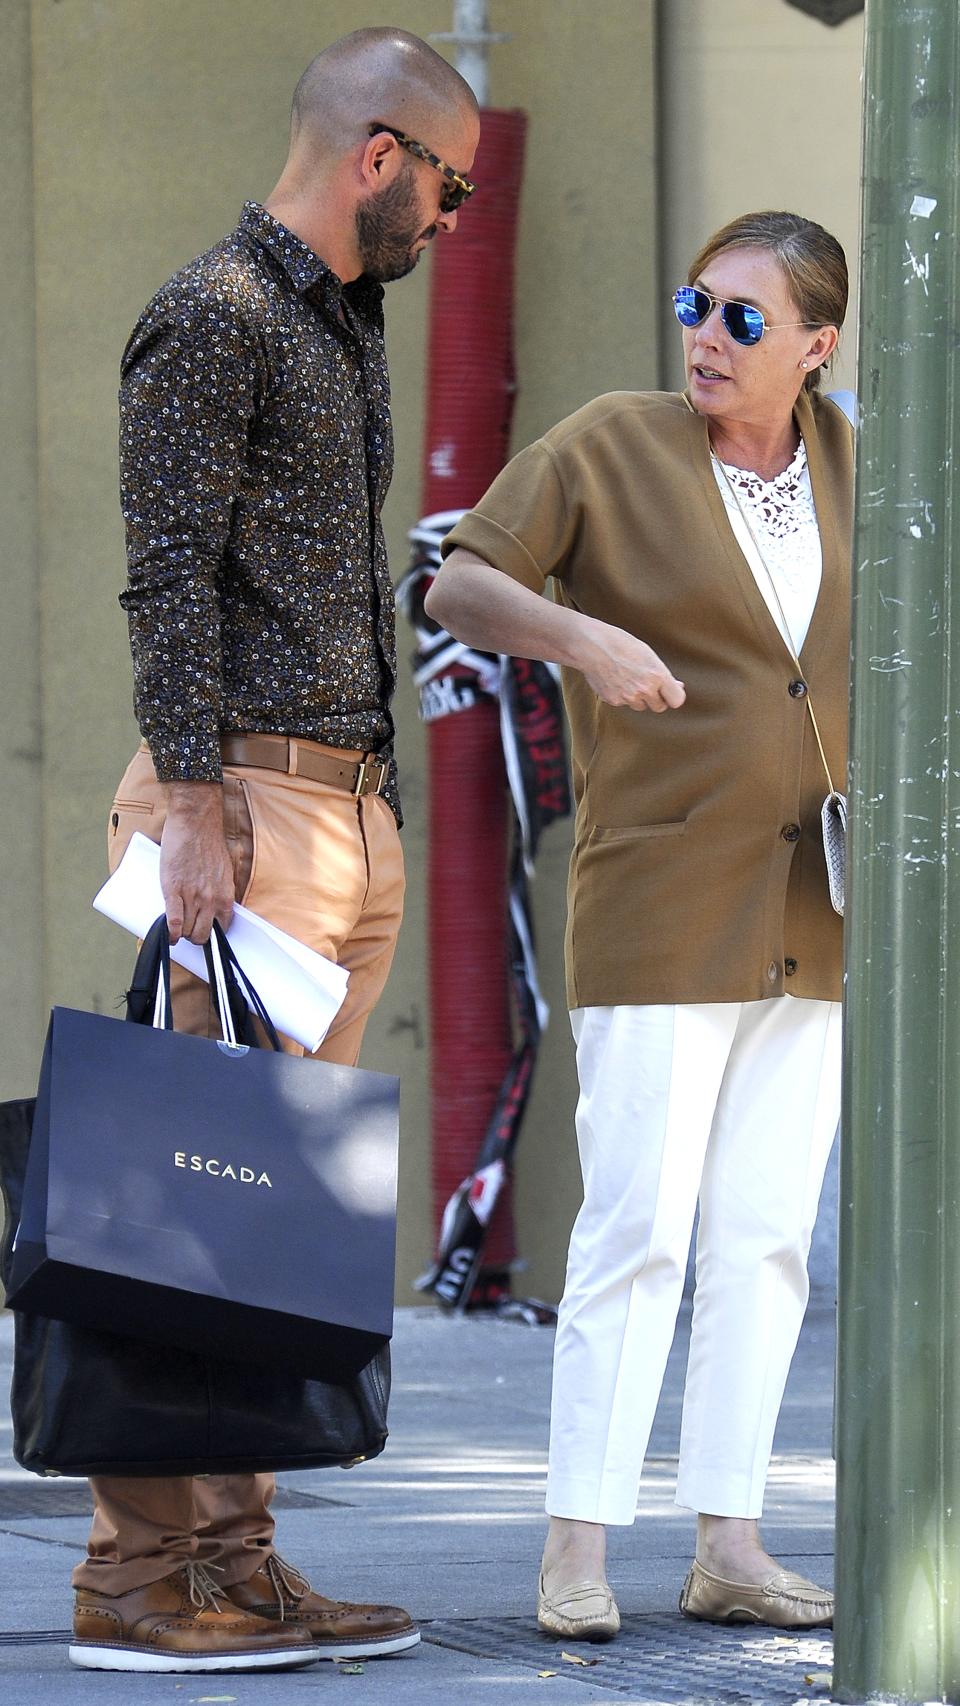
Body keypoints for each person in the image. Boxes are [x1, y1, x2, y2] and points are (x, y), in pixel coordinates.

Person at [71, 29, 480, 1675]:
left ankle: (238, 1559)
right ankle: (134, 1577)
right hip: (238, 808)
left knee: (271, 1226)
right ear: (379, 153)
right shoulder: (216, 313)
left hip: (343, 815)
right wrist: (187, 810)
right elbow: (166, 577)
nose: (453, 219)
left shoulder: (341, 322)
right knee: (185, 1205)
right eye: (449, 185)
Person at [427, 211, 851, 1641]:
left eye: (745, 318)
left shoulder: (865, 471)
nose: (708, 337)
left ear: (816, 346)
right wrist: (583, 637)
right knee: (637, 1227)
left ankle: (730, 1537)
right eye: (697, 304)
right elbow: (461, 579)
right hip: (664, 898)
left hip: (820, 907)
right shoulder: (611, 442)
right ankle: (576, 1544)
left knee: (766, 1232)